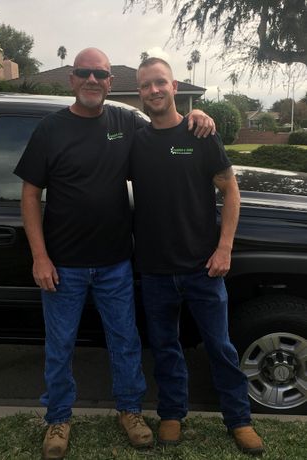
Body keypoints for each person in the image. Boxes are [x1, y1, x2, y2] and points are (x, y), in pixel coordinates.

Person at [14, 48, 215, 460]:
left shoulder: (124, 121)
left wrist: (201, 115)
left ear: (110, 81)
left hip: (115, 263)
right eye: (84, 73)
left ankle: (130, 411)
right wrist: (40, 256)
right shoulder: (50, 129)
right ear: (72, 78)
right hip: (63, 264)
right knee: (60, 345)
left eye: (100, 74)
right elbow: (30, 194)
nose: (92, 80)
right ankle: (57, 418)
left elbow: (166, 126)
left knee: (125, 342)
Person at [130, 57, 264, 456]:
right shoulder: (135, 141)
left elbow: (231, 191)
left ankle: (239, 419)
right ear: (139, 93)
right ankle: (172, 413)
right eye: (146, 86)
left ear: (174, 87)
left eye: (160, 83)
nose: (153, 90)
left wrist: (224, 248)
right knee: (166, 346)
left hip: (203, 268)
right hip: (154, 270)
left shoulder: (200, 133)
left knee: (220, 347)